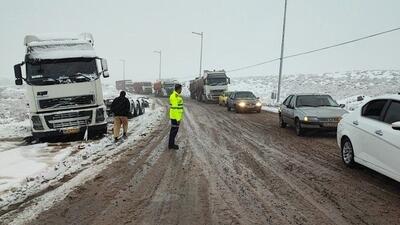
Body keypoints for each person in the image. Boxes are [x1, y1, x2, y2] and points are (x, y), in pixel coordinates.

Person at [168, 84, 184, 149]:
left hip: (176, 117)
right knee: (173, 131)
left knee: (174, 131)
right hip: (175, 117)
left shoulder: (176, 96)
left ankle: (171, 144)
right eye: (181, 89)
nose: (181, 90)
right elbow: (175, 109)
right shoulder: (174, 96)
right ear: (178, 89)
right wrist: (178, 119)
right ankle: (171, 145)